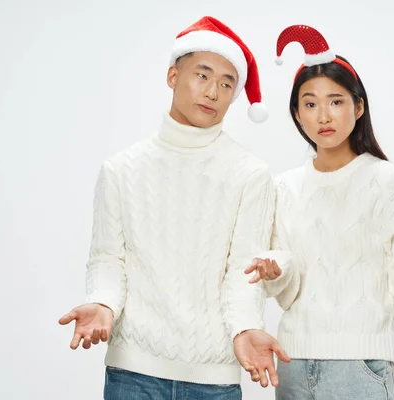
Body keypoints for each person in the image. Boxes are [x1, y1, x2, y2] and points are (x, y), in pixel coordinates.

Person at [58, 16, 289, 400]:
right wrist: (101, 302)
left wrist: (246, 327)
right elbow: (107, 259)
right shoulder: (120, 169)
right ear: (172, 76)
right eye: (202, 75)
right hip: (133, 372)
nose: (213, 92)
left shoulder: (251, 174)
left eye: (227, 83)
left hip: (214, 377)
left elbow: (242, 273)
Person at [245, 25, 394, 400]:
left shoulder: (386, 181)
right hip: (294, 363)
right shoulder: (285, 187)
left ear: (358, 107)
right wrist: (275, 267)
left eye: (336, 101)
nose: (323, 115)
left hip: (361, 367)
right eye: (310, 103)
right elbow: (287, 286)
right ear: (297, 114)